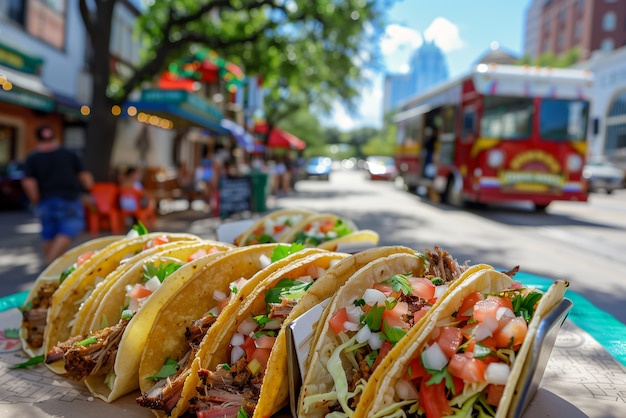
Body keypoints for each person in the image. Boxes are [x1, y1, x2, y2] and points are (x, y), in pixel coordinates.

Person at [21, 124, 94, 266]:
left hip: (45, 200)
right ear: (55, 137)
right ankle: (50, 264)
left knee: (48, 234)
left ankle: (49, 267)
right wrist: (88, 189)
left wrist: (36, 200)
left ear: (37, 139)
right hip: (69, 199)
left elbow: (29, 183)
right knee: (69, 228)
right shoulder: (69, 154)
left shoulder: (33, 157)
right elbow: (86, 178)